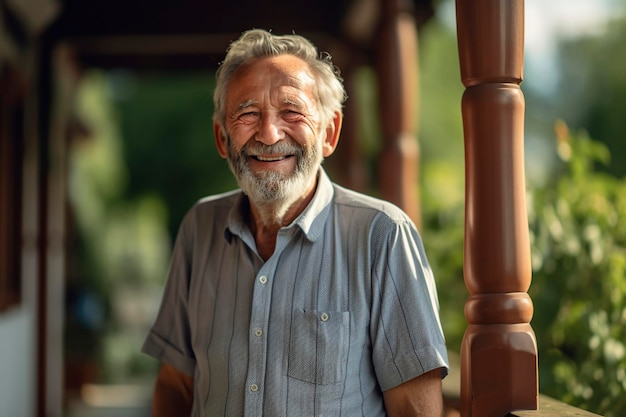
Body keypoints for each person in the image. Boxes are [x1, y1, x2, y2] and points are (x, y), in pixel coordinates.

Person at [142, 28, 449, 417]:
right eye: (248, 113)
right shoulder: (199, 228)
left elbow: (415, 410)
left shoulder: (383, 236)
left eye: (292, 111)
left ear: (329, 133)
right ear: (222, 138)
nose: (269, 134)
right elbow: (175, 385)